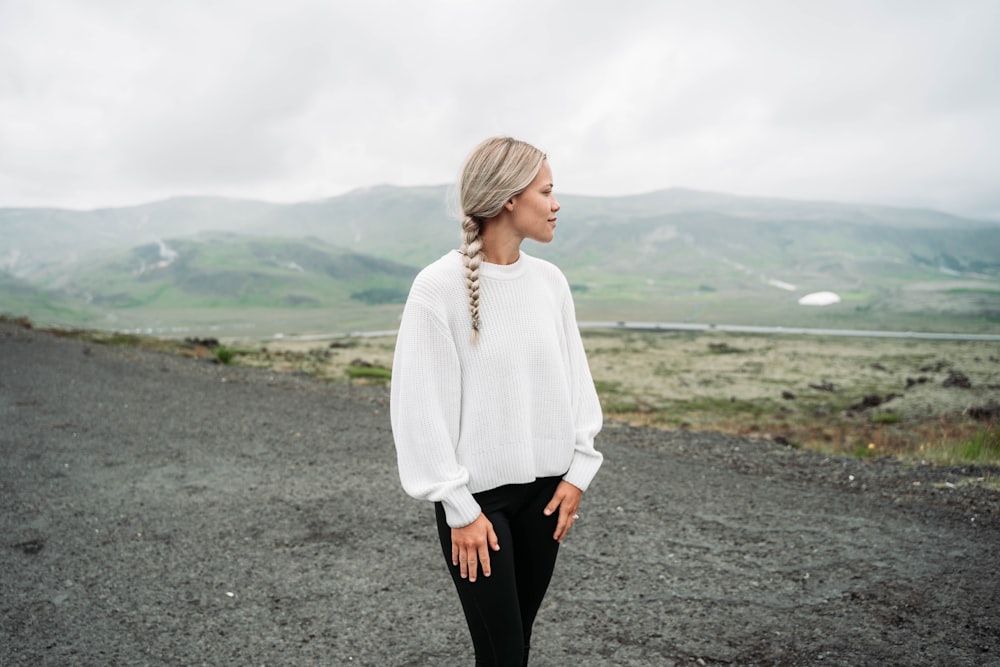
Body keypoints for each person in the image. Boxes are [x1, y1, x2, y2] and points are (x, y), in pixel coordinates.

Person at [390, 136, 604, 666]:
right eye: (547, 192)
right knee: (504, 654)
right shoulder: (437, 288)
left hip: (546, 499)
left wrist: (579, 472)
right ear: (510, 198)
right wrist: (458, 508)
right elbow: (419, 408)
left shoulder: (551, 283)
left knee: (515, 649)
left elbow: (576, 381)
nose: (557, 205)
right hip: (478, 505)